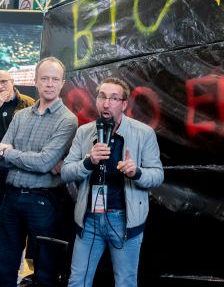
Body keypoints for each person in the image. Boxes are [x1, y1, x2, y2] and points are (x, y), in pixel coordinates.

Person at [61, 77, 164, 287]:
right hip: (90, 219)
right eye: (102, 97)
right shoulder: (84, 132)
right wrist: (88, 161)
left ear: (124, 104)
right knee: (77, 281)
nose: (106, 103)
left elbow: (157, 175)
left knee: (125, 282)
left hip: (124, 221)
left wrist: (136, 172)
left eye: (114, 98)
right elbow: (66, 172)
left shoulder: (143, 133)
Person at [0, 57, 78, 287]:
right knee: (3, 266)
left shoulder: (67, 120)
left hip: (43, 202)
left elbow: (44, 163)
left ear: (62, 83)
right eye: (45, 78)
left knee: (45, 270)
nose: (50, 84)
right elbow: (2, 155)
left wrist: (11, 153)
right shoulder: (20, 116)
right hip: (11, 198)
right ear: (35, 81)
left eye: (55, 79)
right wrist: (29, 158)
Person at [0, 69, 35, 200]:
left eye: (4, 82)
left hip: (17, 160)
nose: (0, 86)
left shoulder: (28, 102)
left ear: (12, 82)